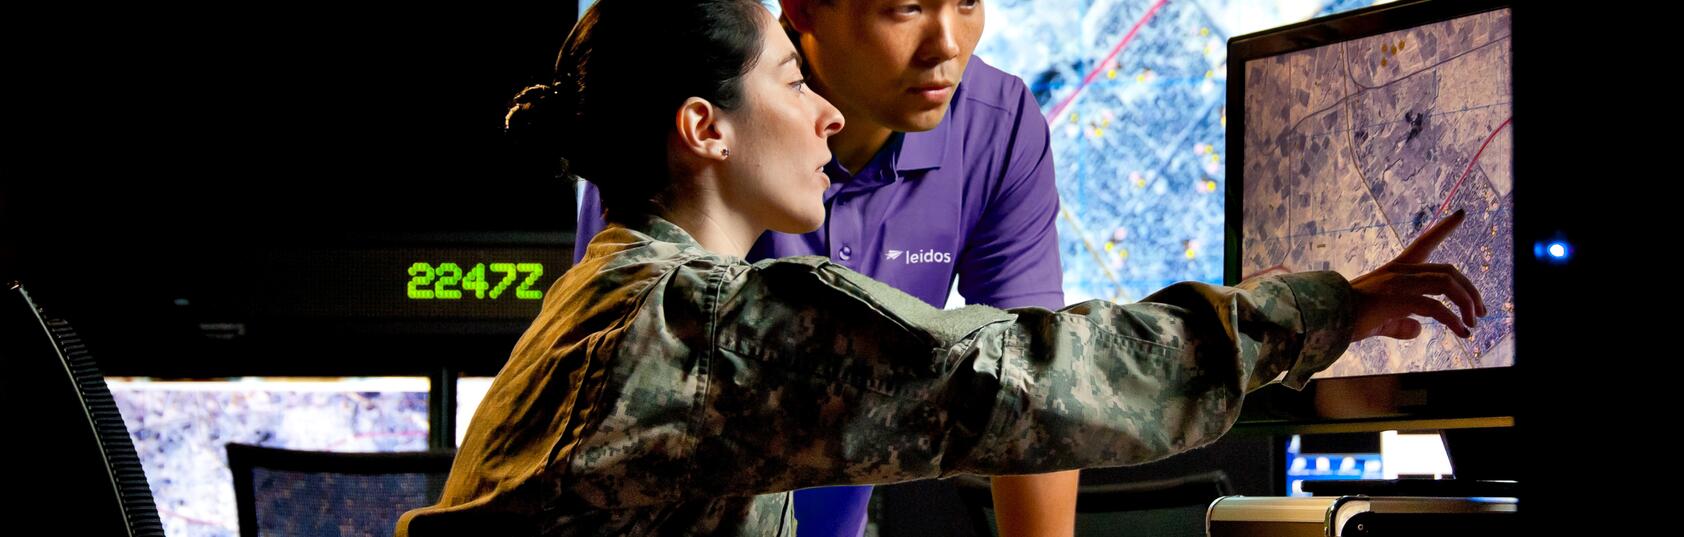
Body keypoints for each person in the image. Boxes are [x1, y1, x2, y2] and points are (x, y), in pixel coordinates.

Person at [399, 1, 1485, 535]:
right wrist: (1321, 312)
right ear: (705, 129)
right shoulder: (711, 325)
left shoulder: (603, 293)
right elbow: (1032, 378)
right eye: (792, 81)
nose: (827, 115)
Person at [574, 1, 1070, 531]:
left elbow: (1033, 382)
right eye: (906, 8)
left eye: (967, 1)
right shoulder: (684, 108)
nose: (948, 46)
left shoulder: (997, 123)